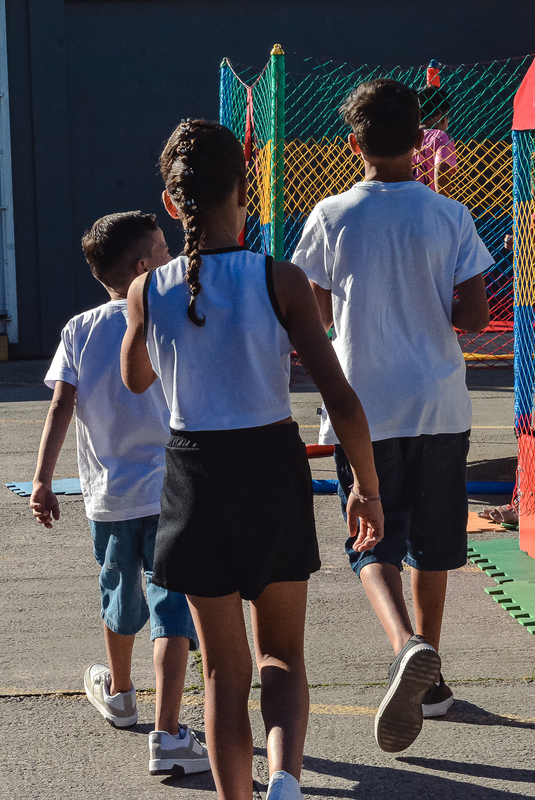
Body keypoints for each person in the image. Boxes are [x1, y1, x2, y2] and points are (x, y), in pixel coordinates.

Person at [122, 119, 384, 800]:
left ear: (172, 203)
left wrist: (148, 311)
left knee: (222, 672)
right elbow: (341, 399)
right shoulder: (280, 279)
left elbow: (135, 378)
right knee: (283, 655)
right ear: (247, 191)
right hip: (270, 468)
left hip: (194, 477)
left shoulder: (149, 290)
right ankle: (286, 781)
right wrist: (366, 487)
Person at [292, 80, 493, 753]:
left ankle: (406, 645)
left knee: (370, 539)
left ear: (354, 144)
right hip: (439, 401)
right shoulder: (450, 215)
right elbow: (475, 315)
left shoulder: (331, 216)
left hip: (364, 407)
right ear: (419, 141)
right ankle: (431, 675)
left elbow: (316, 312)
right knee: (433, 545)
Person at [30, 211, 210, 777]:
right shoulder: (170, 318)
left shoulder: (79, 329)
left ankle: (122, 693)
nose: (173, 256)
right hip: (171, 493)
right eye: (165, 250)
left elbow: (60, 406)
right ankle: (168, 732)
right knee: (171, 608)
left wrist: (42, 478)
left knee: (118, 594)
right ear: (142, 268)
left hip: (108, 497)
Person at [413, 85, 457, 197]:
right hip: (430, 200)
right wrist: (443, 201)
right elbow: (441, 170)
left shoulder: (408, 136)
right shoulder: (440, 137)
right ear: (444, 116)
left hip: (407, 198)